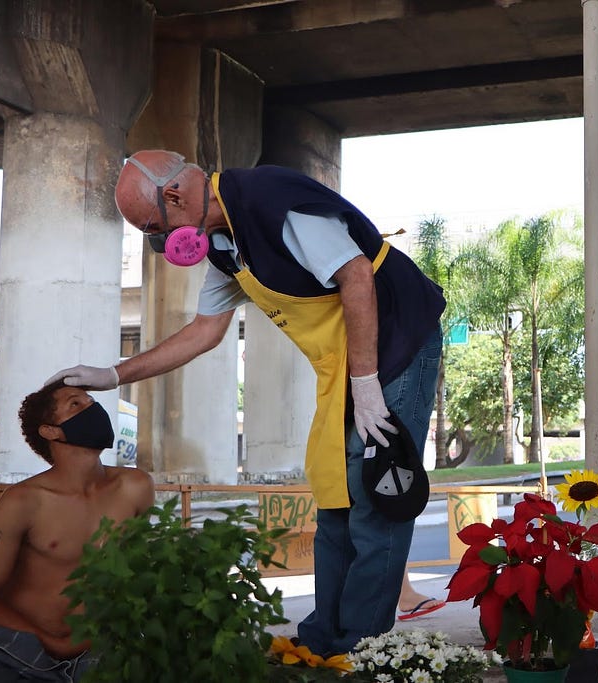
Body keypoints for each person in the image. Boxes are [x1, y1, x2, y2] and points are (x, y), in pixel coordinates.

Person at [47, 150, 445, 656]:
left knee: (376, 497)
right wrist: (113, 374)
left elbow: (358, 276)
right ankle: (322, 643)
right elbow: (203, 332)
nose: (161, 243)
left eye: (154, 229)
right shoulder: (225, 247)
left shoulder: (273, 201)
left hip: (396, 345)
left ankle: (361, 651)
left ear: (174, 196)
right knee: (333, 499)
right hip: (342, 367)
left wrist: (366, 385)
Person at [0, 382, 155, 682]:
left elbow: (142, 574)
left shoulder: (135, 487)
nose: (93, 410)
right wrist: (47, 639)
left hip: (97, 648)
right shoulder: (24, 500)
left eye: (90, 401)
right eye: (75, 404)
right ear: (50, 431)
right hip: (10, 647)